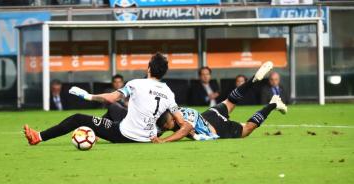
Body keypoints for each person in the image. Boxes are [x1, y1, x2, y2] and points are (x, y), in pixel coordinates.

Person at [23, 53, 192, 145]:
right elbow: (184, 126)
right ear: (163, 73)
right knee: (115, 111)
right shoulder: (169, 93)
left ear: (148, 68)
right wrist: (163, 141)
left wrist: (87, 95)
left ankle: (39, 137)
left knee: (77, 118)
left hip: (123, 134)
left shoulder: (136, 84)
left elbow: (111, 98)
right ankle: (95, 134)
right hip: (147, 137)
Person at [155, 61, 288, 141]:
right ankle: (252, 79)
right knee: (230, 100)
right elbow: (158, 129)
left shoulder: (181, 122)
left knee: (247, 128)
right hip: (210, 114)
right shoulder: (174, 112)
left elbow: (185, 130)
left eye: (167, 126)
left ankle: (273, 103)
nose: (166, 128)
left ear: (172, 120)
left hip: (217, 128)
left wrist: (164, 141)